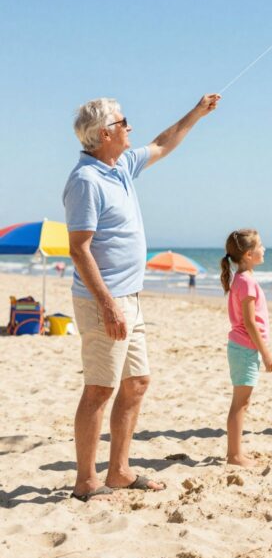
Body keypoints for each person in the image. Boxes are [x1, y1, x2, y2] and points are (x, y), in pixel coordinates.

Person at [64, 93, 220, 501]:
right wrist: (108, 304)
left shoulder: (122, 168)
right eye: (123, 121)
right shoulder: (86, 180)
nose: (130, 127)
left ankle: (118, 471)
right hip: (105, 301)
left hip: (130, 297)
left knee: (137, 383)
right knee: (100, 388)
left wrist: (198, 112)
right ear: (104, 133)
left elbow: (165, 142)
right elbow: (78, 249)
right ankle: (85, 482)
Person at [221, 229, 272, 467]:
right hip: (245, 349)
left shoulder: (244, 279)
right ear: (248, 254)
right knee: (240, 404)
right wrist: (266, 354)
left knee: (242, 402)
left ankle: (236, 452)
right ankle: (234, 455)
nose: (264, 249)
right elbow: (250, 322)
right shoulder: (245, 282)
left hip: (243, 348)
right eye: (260, 245)